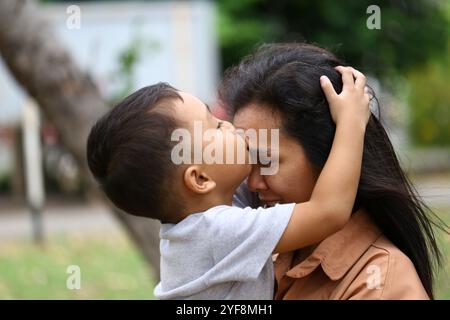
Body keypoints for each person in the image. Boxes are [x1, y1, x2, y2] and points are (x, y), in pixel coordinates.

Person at [86, 68, 370, 299]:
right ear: (199, 179)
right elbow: (329, 210)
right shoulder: (219, 231)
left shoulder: (197, 218)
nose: (230, 126)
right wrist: (351, 123)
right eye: (215, 126)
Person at [219, 42, 449, 299]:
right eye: (248, 159)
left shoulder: (379, 285)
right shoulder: (273, 253)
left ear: (331, 155)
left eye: (267, 161)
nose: (252, 183)